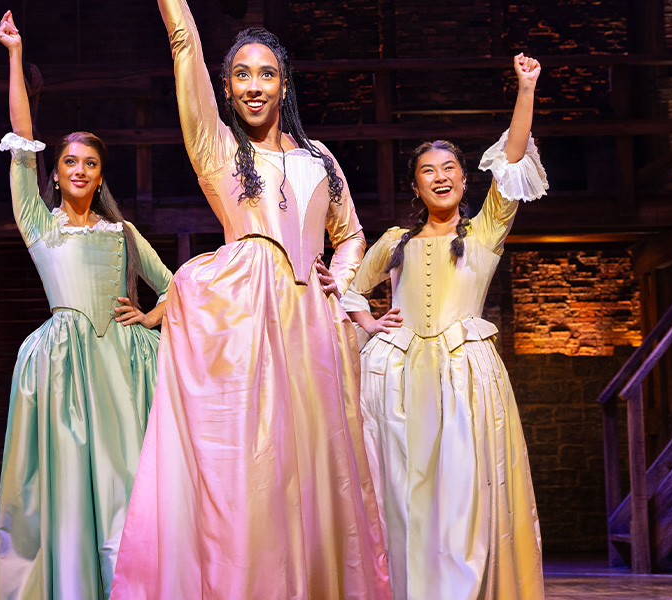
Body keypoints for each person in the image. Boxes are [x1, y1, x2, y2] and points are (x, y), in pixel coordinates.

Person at [109, 1, 390, 598]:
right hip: (246, 321)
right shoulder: (216, 148)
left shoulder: (321, 159)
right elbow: (185, 45)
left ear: (284, 84)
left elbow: (351, 234)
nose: (254, 85)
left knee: (317, 467)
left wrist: (340, 283)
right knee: (255, 465)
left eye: (266, 74)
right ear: (226, 88)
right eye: (242, 75)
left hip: (312, 329)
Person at [344, 54, 548, 600]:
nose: (440, 177)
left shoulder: (485, 231)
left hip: (463, 378)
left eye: (449, 168)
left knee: (462, 493)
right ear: (416, 186)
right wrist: (370, 322)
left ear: (463, 177)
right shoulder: (396, 241)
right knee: (403, 491)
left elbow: (511, 158)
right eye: (428, 171)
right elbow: (350, 291)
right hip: (398, 379)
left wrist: (525, 89)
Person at [0, 12, 175, 600]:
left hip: (120, 364)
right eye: (70, 161)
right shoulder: (39, 224)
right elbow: (22, 140)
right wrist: (15, 56)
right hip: (63, 366)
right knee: (67, 482)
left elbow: (175, 286)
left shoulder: (122, 234)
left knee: (124, 483)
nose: (79, 170)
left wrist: (149, 318)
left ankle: (128, 586)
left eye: (89, 163)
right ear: (57, 172)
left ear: (99, 176)